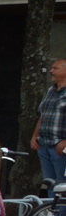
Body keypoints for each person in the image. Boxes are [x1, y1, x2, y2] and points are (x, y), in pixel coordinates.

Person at [30, 59, 66, 190]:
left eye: (55, 68)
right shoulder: (50, 90)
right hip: (44, 144)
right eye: (51, 68)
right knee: (49, 183)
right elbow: (42, 116)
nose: (51, 71)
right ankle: (51, 209)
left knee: (62, 186)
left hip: (60, 148)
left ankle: (60, 210)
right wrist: (34, 136)